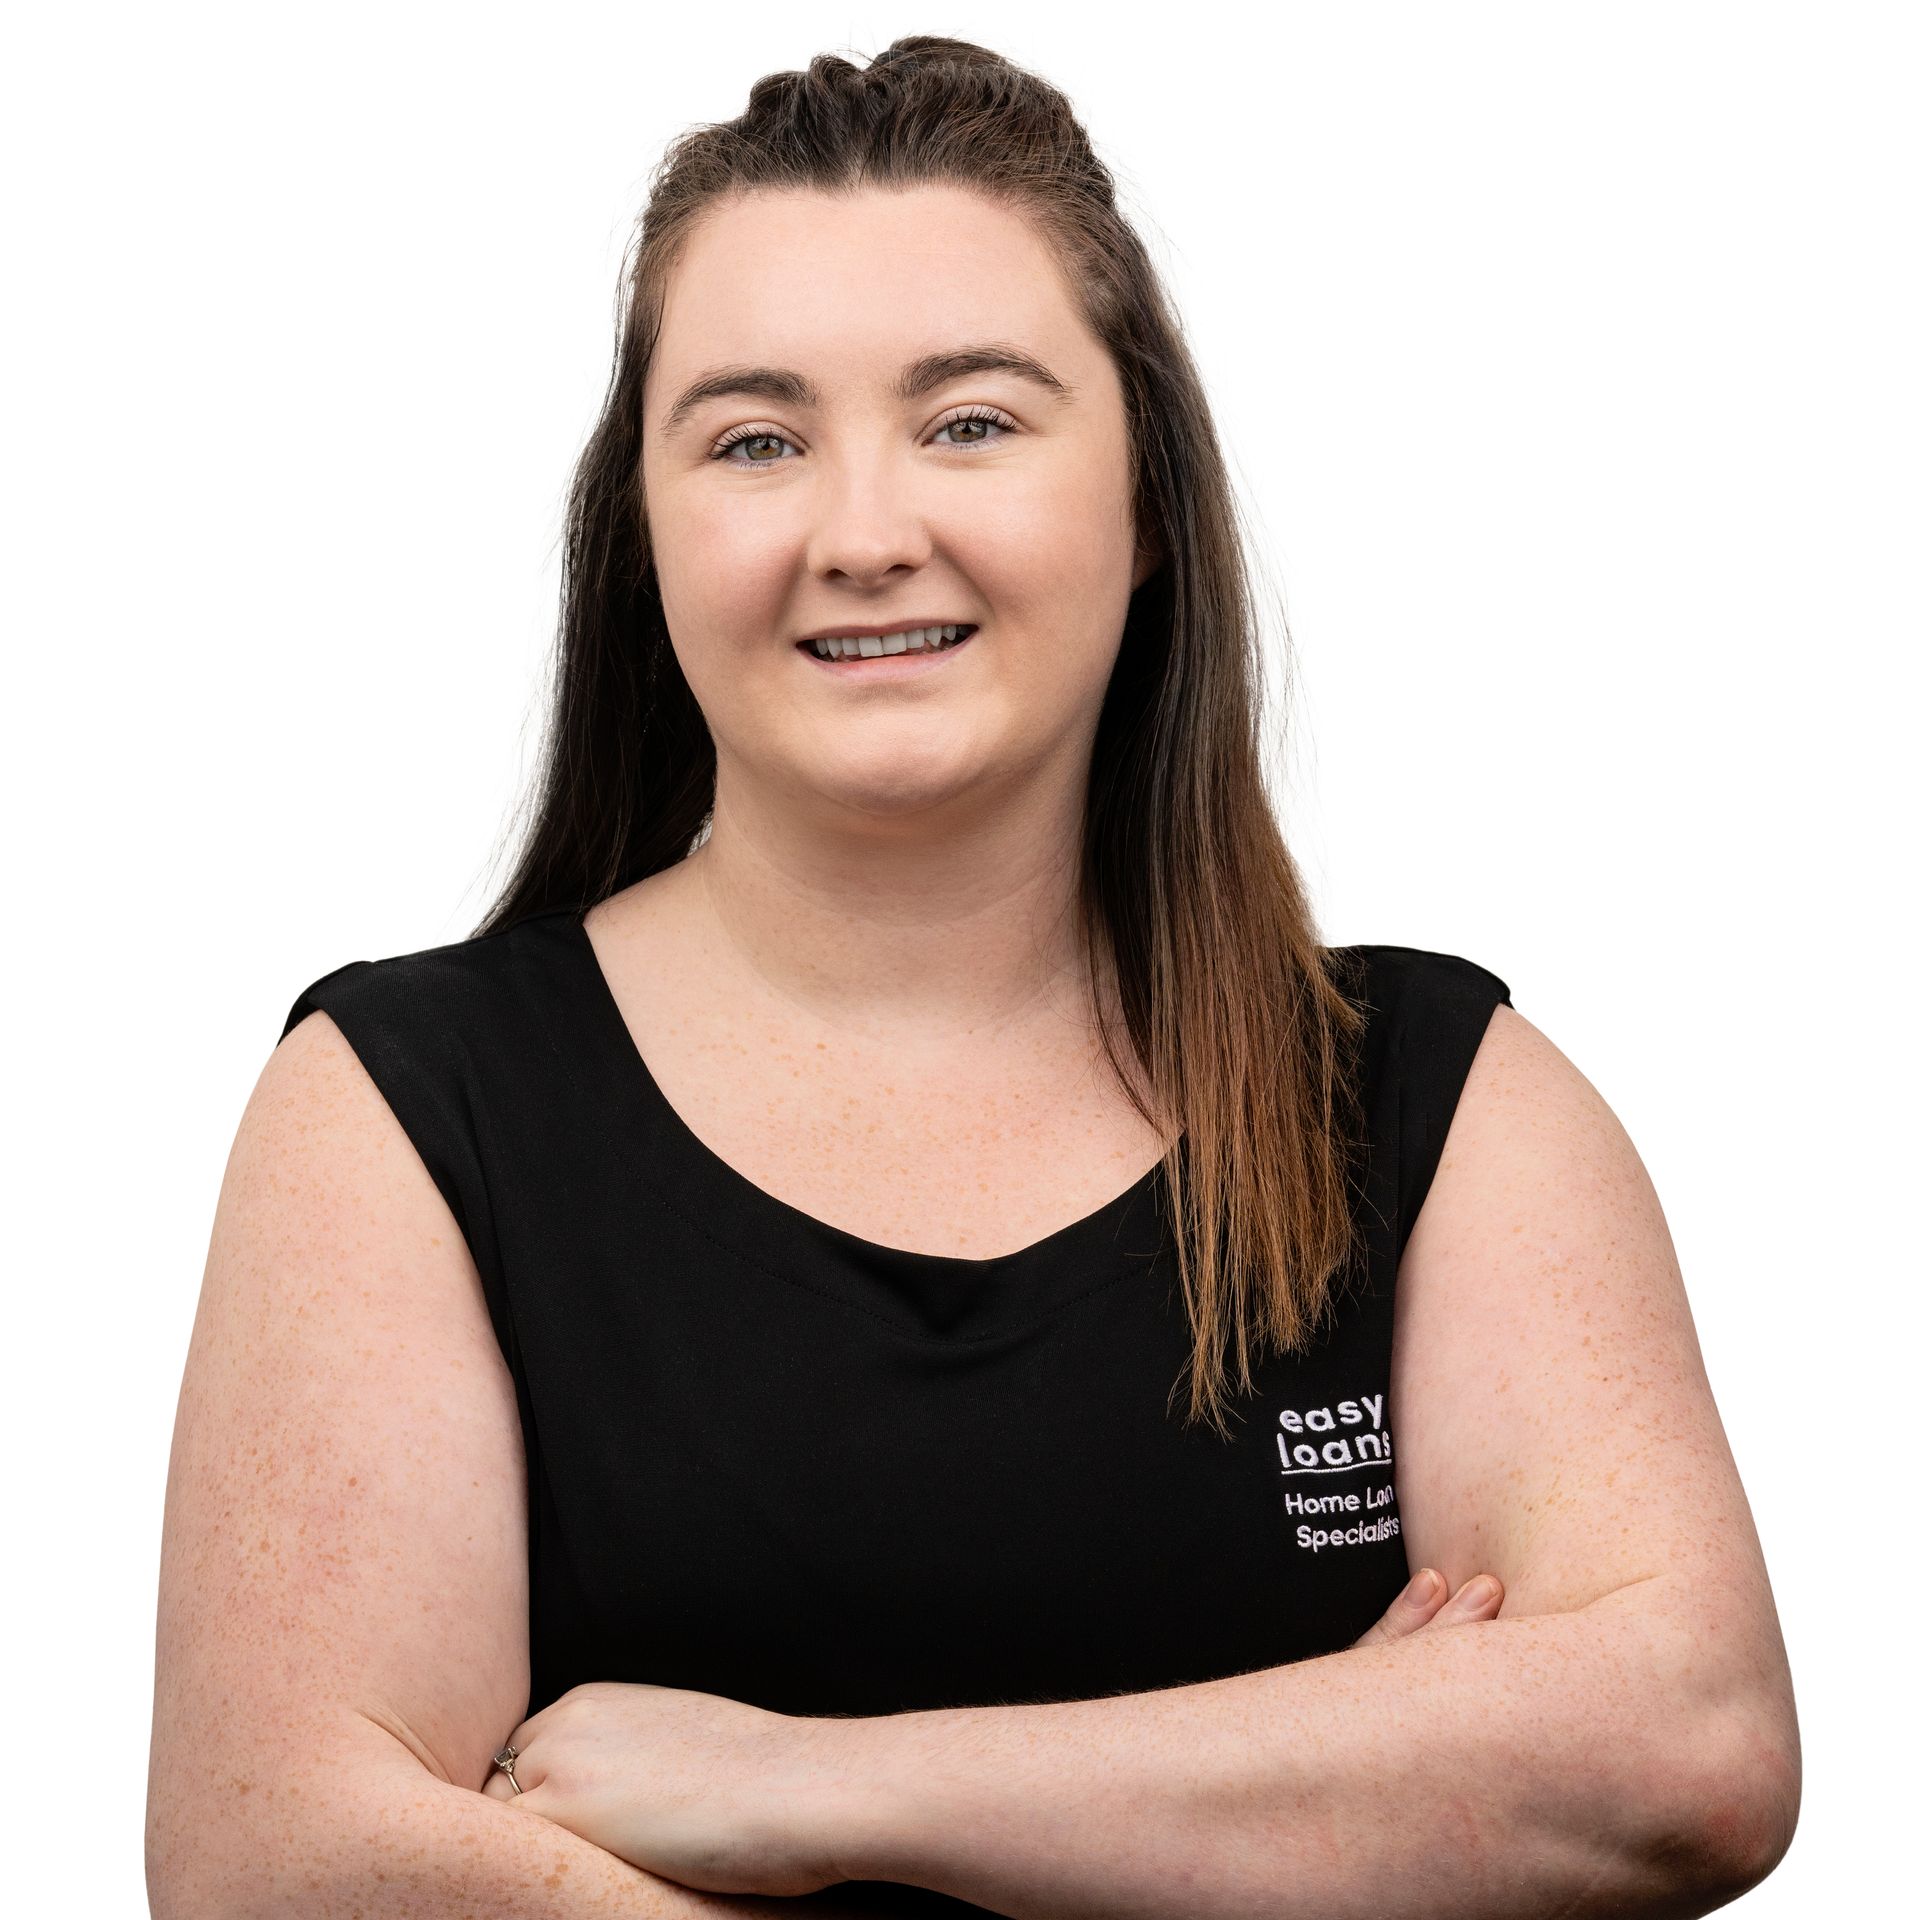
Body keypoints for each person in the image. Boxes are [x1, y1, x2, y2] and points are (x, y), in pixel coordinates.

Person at [146, 35, 1798, 1920]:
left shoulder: (1438, 1104)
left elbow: (1687, 1753)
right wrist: (1335, 1783)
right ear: (646, 540)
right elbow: (279, 1860)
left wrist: (800, 1793)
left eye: (975, 421)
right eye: (756, 440)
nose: (866, 534)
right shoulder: (401, 1111)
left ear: (1152, 503)